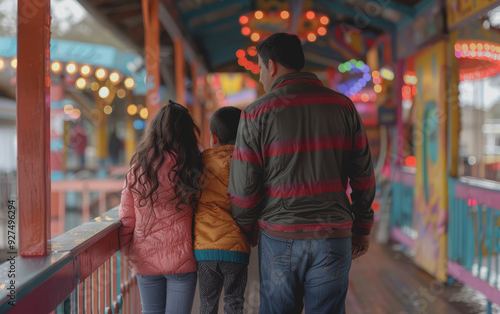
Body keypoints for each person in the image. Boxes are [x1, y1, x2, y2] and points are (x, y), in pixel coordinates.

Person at [228, 33, 376, 314]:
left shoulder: (256, 113)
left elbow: (244, 189)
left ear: (271, 66)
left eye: (260, 68)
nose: (260, 78)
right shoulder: (343, 106)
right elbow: (363, 175)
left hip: (280, 236)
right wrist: (362, 227)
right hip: (334, 234)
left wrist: (246, 230)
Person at [119, 101, 203, 314]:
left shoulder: (138, 169)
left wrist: (128, 252)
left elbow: (126, 219)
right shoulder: (193, 165)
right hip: (183, 259)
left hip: (146, 258)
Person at [193, 106, 250, 314]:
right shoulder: (247, 163)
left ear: (213, 137)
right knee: (234, 303)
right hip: (237, 250)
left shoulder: (201, 163)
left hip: (205, 249)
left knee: (207, 305)